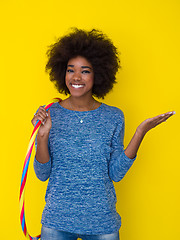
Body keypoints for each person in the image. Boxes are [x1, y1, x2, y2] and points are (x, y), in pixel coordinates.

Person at [32, 28, 175, 240]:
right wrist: (42, 137)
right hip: (57, 221)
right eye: (71, 70)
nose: (77, 77)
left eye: (85, 71)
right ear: (62, 72)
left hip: (102, 222)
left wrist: (140, 133)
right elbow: (42, 174)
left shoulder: (114, 117)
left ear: (98, 74)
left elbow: (115, 173)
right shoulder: (49, 114)